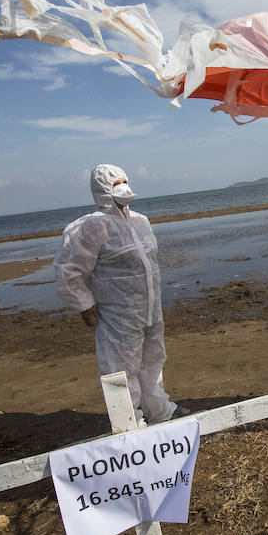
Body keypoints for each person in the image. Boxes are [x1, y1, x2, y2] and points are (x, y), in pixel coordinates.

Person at [53, 164, 187, 425]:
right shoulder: (92, 226)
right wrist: (83, 302)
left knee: (153, 359)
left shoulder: (140, 221)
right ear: (103, 190)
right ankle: (129, 420)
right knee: (121, 367)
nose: (123, 187)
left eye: (125, 181)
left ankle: (159, 410)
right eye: (116, 183)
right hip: (118, 313)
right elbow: (69, 268)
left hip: (149, 308)